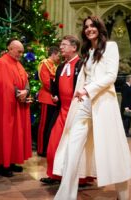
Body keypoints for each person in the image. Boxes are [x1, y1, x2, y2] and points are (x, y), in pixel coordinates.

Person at [53, 16, 131, 200]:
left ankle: (123, 195)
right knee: (72, 148)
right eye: (86, 26)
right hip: (83, 105)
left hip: (103, 103)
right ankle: (65, 196)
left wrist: (88, 90)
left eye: (93, 26)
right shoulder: (88, 51)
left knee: (112, 149)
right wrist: (80, 93)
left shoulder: (110, 47)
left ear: (99, 27)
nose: (89, 29)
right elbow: (84, 77)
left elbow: (111, 76)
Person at [40, 35, 92, 185]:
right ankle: (55, 175)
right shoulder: (61, 66)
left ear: (74, 47)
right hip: (62, 110)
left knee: (75, 146)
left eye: (64, 45)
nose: (61, 47)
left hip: (76, 111)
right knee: (54, 142)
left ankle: (80, 178)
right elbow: (56, 85)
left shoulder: (82, 64)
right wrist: (56, 95)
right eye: (61, 45)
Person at [0, 39, 32, 177]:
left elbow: (26, 80)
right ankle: (3, 164)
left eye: (22, 52)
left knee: (16, 135)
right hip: (6, 106)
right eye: (18, 51)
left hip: (17, 104)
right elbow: (4, 85)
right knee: (6, 134)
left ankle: (12, 161)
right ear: (10, 48)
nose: (20, 54)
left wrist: (26, 91)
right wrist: (18, 93)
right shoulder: (1, 62)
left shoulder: (18, 64)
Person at [37, 46, 60, 156]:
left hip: (54, 99)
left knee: (50, 125)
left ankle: (48, 148)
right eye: (58, 55)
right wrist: (57, 90)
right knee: (44, 125)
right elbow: (46, 82)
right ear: (54, 53)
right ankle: (41, 149)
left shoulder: (54, 66)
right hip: (47, 98)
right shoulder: (44, 63)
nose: (59, 57)